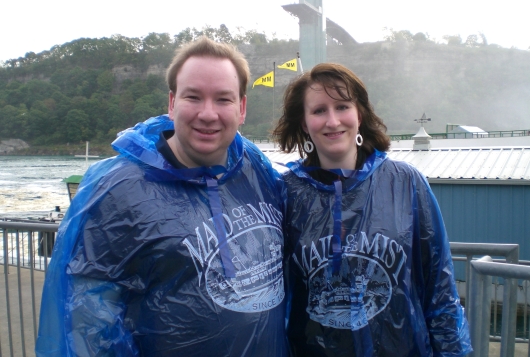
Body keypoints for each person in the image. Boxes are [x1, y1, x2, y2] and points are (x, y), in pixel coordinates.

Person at [36, 37, 288, 356]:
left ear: (241, 108)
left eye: (223, 99)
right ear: (172, 103)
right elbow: (88, 323)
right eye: (193, 97)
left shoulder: (253, 167)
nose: (208, 114)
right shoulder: (120, 192)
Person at [272, 63, 472, 356]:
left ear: (359, 114)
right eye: (318, 111)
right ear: (304, 123)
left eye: (342, 106)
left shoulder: (406, 183)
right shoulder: (286, 193)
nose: (332, 121)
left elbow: (439, 288)